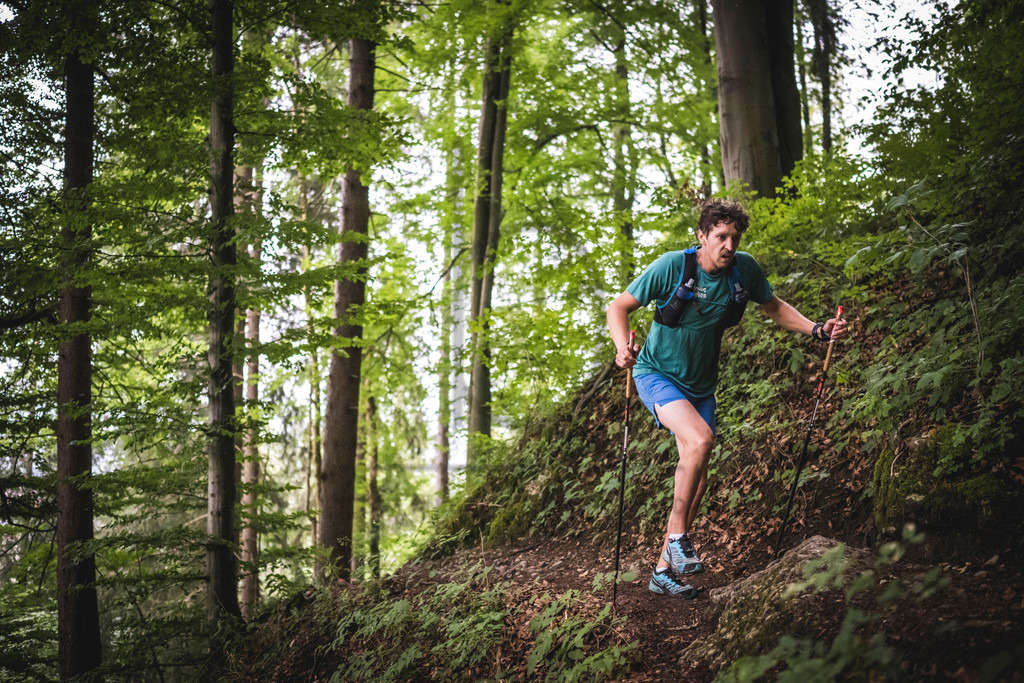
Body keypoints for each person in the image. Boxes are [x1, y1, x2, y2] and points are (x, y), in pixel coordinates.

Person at [606, 199, 848, 598]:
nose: (729, 244)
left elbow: (773, 307)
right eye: (721, 236)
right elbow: (619, 307)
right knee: (700, 440)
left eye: (735, 237)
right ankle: (679, 538)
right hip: (656, 374)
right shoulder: (673, 266)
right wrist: (621, 349)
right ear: (702, 237)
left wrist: (817, 330)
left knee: (697, 474)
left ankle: (663, 571)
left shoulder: (743, 269)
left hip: (701, 386)